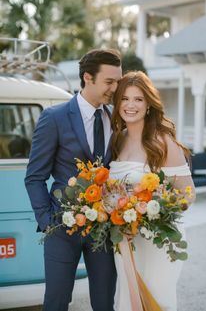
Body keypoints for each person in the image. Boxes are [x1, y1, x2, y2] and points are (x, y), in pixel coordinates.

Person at [25, 49, 122, 311]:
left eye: (118, 81)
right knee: (56, 303)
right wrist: (48, 222)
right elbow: (34, 177)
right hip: (62, 228)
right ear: (88, 78)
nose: (115, 88)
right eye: (109, 82)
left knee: (104, 303)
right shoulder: (54, 117)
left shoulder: (116, 117)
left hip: (103, 230)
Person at [110, 71, 196, 311]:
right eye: (125, 99)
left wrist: (151, 212)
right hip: (126, 239)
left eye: (138, 99)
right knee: (128, 299)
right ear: (117, 104)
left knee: (157, 298)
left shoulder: (162, 141)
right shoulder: (117, 140)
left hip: (158, 240)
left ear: (148, 104)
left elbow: (189, 193)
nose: (130, 105)